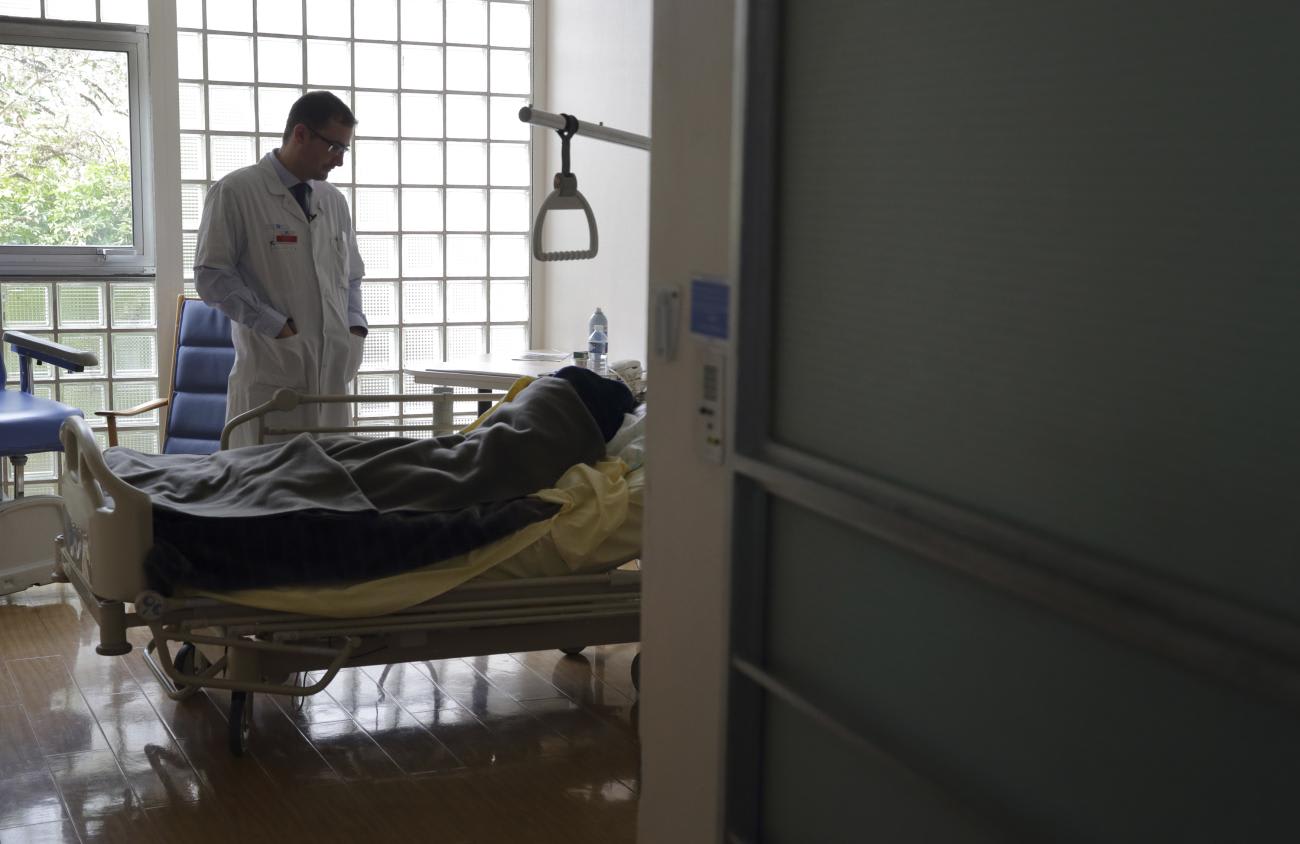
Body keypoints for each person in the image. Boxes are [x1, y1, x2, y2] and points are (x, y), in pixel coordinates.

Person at [195, 91, 367, 449]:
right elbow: (212, 275)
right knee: (265, 490)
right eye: (334, 147)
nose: (339, 161)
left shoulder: (333, 201)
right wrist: (274, 325)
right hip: (272, 377)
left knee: (329, 489)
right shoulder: (236, 192)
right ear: (301, 134)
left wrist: (355, 328)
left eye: (344, 150)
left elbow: (350, 276)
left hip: (333, 376)